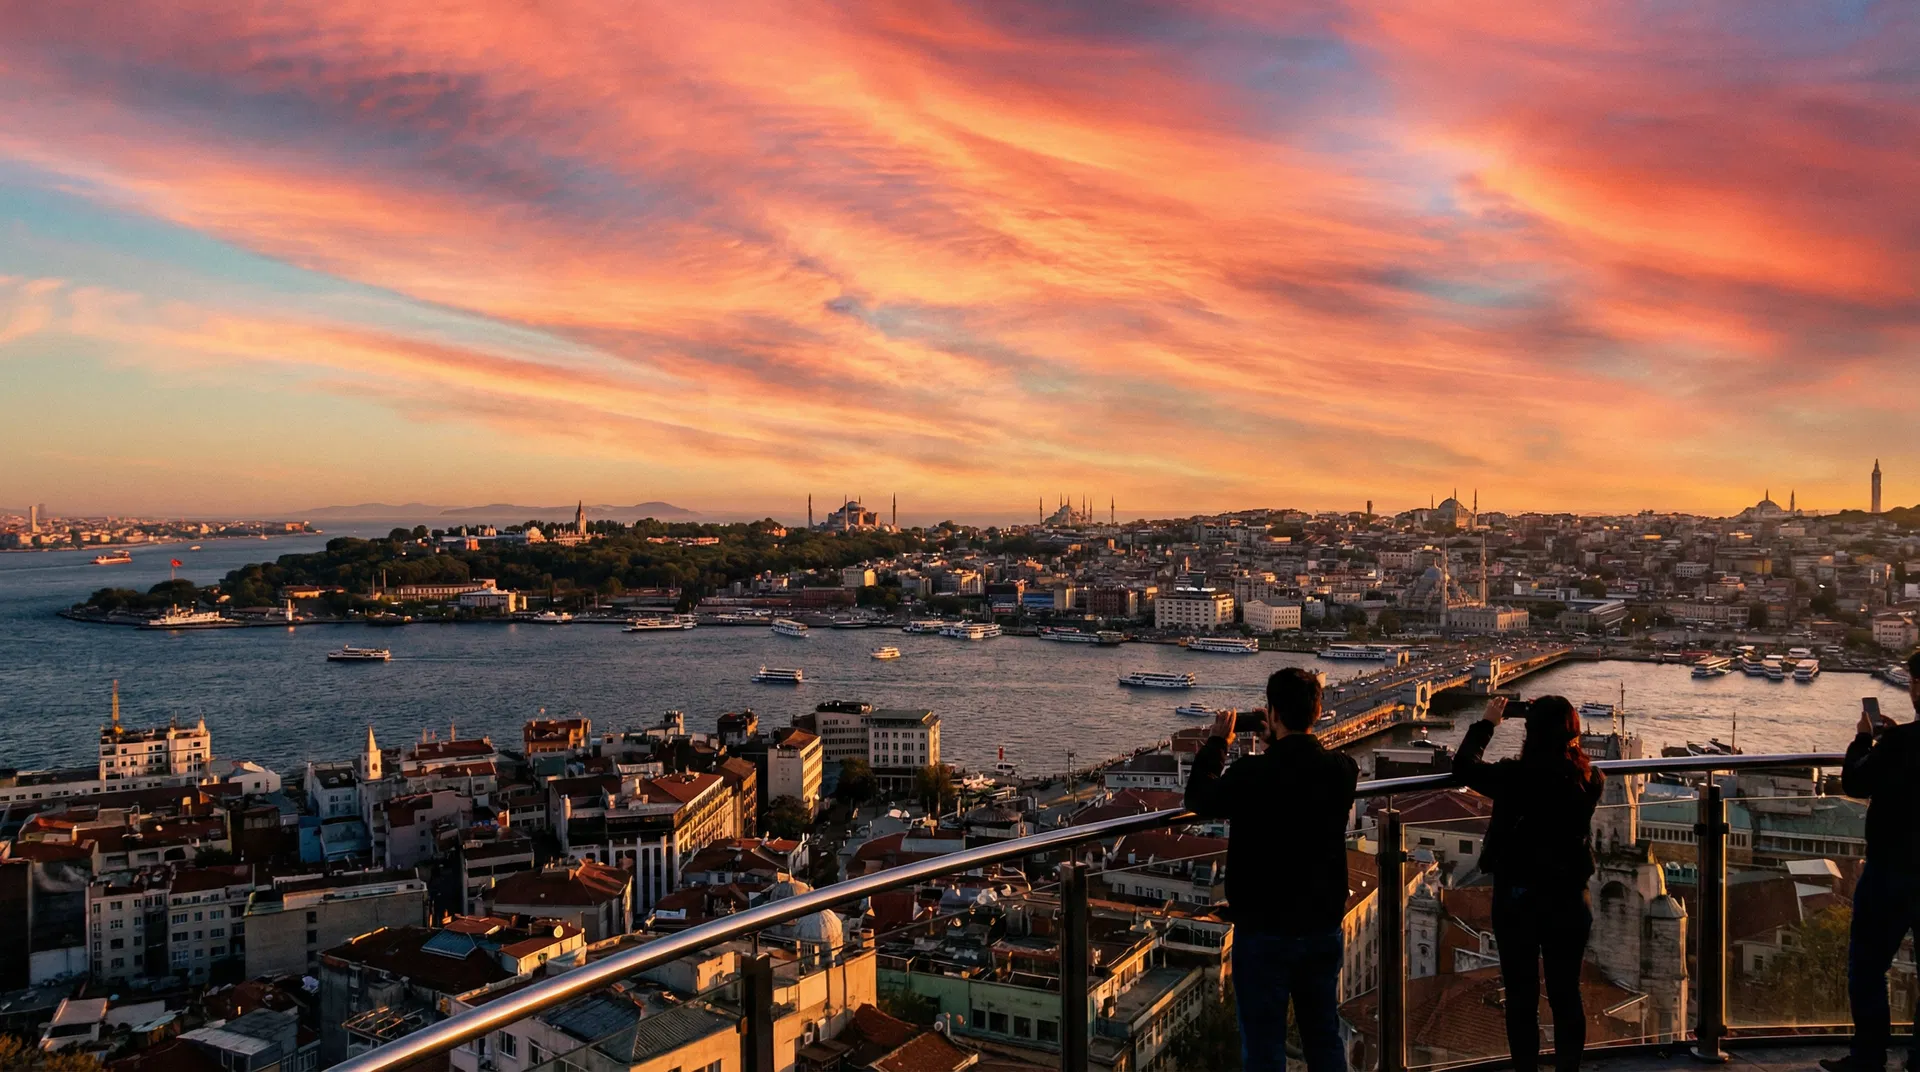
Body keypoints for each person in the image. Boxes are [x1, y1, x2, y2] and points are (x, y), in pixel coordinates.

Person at [1185, 667, 1359, 1072]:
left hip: (1265, 929)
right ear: (1316, 712)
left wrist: (1216, 742)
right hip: (1321, 924)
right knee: (1323, 1038)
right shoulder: (1342, 771)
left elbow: (1199, 797)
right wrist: (1280, 740)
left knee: (1264, 1049)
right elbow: (1307, 766)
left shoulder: (1252, 774)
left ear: (1273, 713)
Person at [1453, 694, 1605, 1072]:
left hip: (1519, 896)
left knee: (1522, 997)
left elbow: (1463, 767)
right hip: (1569, 896)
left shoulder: (1514, 777)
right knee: (1565, 994)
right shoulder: (1591, 780)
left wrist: (1488, 722)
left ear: (1531, 733)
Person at [1823, 650, 1920, 1072]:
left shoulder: (1900, 743)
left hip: (1892, 869)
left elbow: (1856, 780)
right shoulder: (1902, 743)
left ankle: (1868, 1055)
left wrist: (1865, 739)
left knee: (1868, 964)